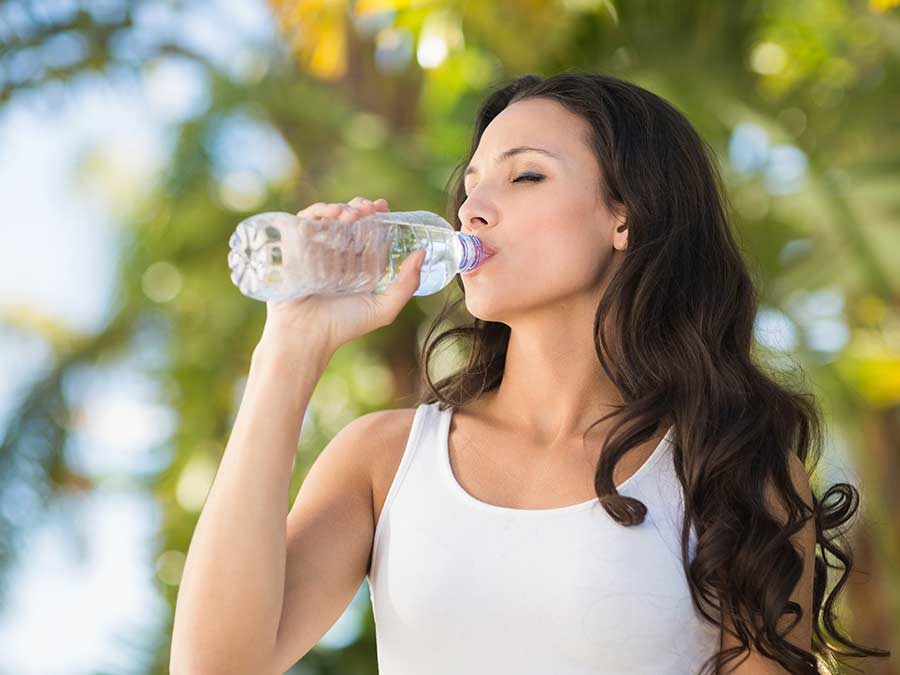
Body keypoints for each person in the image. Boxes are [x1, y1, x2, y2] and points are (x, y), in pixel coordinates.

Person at [169, 72, 890, 675]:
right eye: (473, 181)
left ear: (624, 218)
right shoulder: (383, 460)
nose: (472, 208)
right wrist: (289, 349)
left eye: (526, 175)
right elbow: (217, 664)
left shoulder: (731, 471)